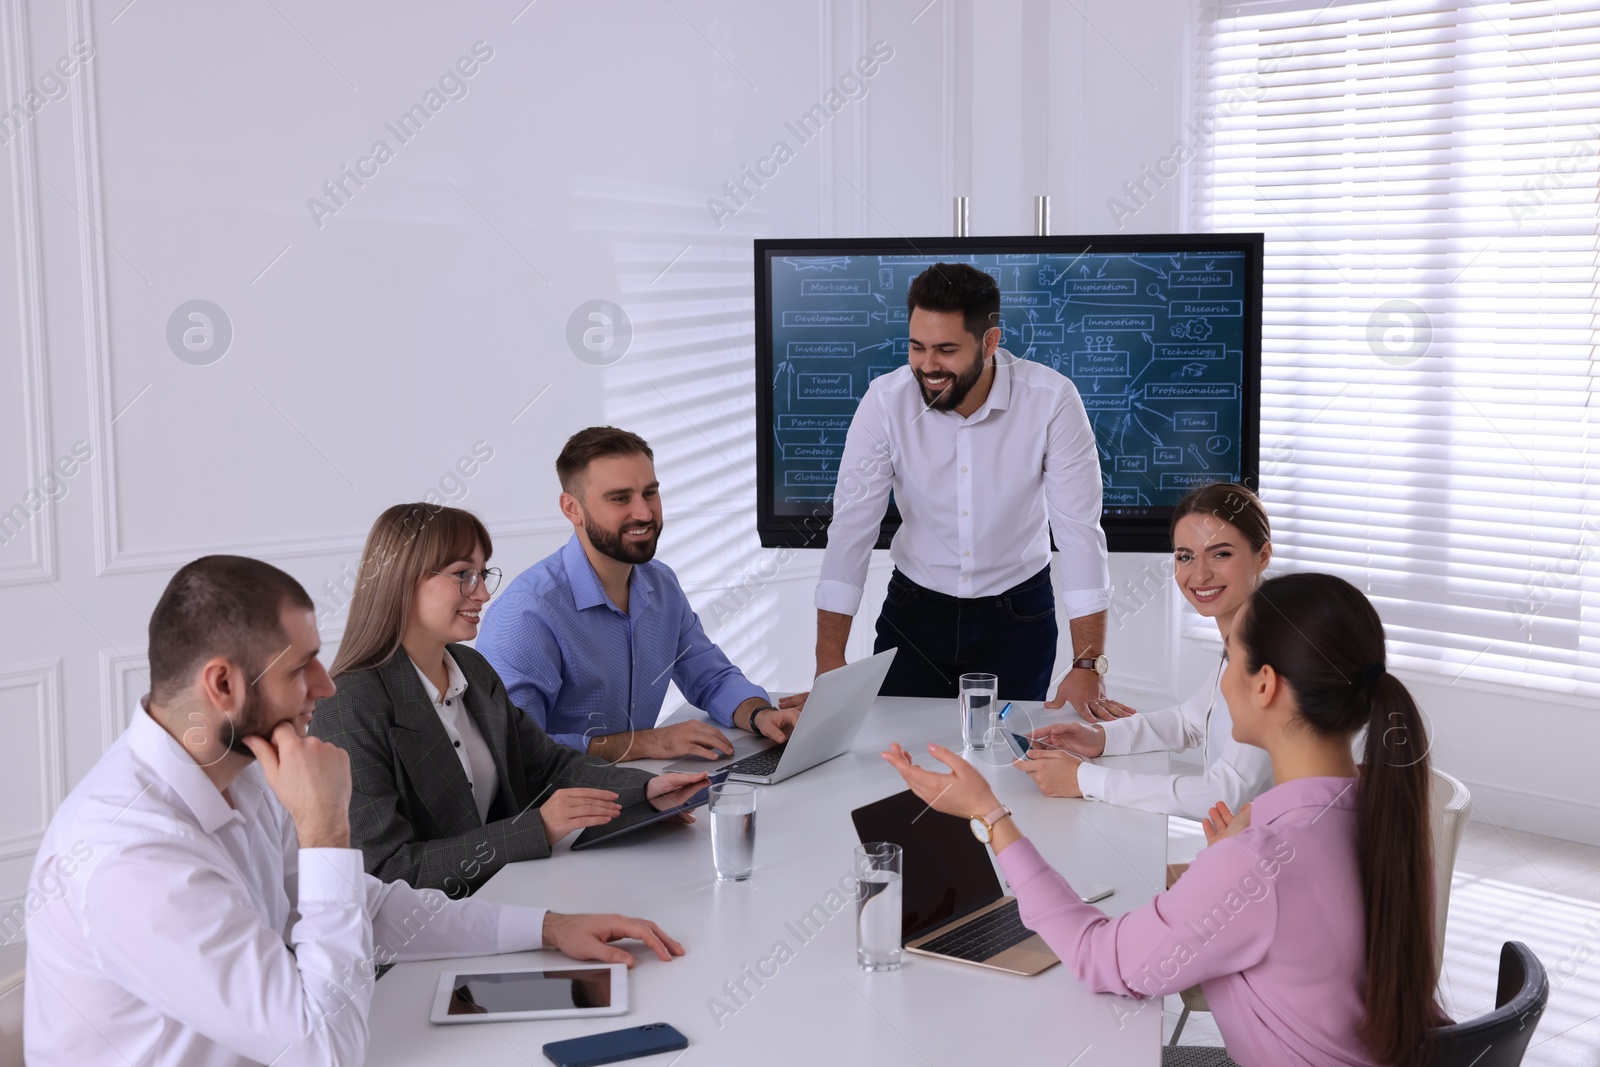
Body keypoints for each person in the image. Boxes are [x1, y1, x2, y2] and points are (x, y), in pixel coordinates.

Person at [24, 555, 684, 1067]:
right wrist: (326, 832)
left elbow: (370, 908)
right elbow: (324, 1049)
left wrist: (547, 925)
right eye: (301, 668)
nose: (325, 685)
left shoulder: (238, 772)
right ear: (222, 684)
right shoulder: (129, 855)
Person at [882, 572, 1446, 1066]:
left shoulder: (1258, 857)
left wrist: (988, 813)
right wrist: (1216, 870)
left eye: (1229, 659)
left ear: (1266, 684)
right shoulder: (1382, 810)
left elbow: (1101, 961)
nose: (1221, 683)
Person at [311, 503, 708, 893]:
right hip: (426, 941)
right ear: (402, 580)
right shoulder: (349, 704)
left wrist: (643, 791)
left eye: (483, 574)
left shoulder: (471, 668)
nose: (482, 593)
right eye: (463, 575)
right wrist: (536, 830)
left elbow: (546, 765)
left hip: (507, 897)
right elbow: (383, 871)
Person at [813, 262, 1114, 714]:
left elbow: (1079, 533)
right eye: (917, 347)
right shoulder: (885, 401)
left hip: (1019, 615)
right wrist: (828, 659)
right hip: (914, 613)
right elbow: (852, 528)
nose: (927, 366)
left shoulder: (1051, 400)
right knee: (895, 756)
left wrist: (1087, 665)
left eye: (946, 350)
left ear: (989, 342)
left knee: (1008, 763)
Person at [478, 427, 805, 762]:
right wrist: (647, 743)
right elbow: (518, 749)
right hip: (564, 804)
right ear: (572, 509)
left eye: (650, 493)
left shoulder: (660, 583)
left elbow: (710, 677)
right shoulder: (527, 613)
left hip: (641, 786)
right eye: (620, 498)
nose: (644, 513)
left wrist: (759, 714)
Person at [1016, 483, 1275, 822]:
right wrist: (1100, 738)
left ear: (1263, 556)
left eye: (1220, 554)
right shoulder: (1244, 638)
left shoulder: (1271, 654)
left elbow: (1221, 795)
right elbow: (1190, 721)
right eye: (1185, 556)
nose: (1200, 573)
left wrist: (1084, 779)